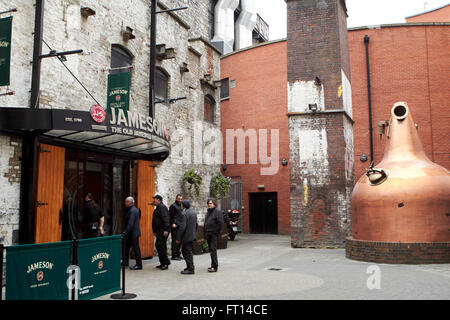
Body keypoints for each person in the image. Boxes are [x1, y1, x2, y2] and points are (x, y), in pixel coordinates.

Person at [176, 200, 198, 274]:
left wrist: (178, 238)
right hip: (192, 235)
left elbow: (182, 227)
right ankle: (189, 266)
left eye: (182, 205)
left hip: (186, 236)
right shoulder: (193, 213)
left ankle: (191, 268)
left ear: (183, 205)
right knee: (188, 251)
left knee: (186, 252)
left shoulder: (184, 213)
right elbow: (196, 225)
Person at [203, 199, 224, 272]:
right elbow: (206, 223)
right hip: (208, 233)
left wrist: (216, 232)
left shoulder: (217, 211)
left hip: (213, 234)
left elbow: (220, 223)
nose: (209, 204)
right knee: (211, 250)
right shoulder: (209, 212)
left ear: (214, 204)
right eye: (208, 203)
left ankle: (215, 267)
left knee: (213, 249)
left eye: (210, 203)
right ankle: (213, 265)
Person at [152, 194, 171, 270]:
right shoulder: (158, 208)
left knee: (161, 246)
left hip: (163, 231)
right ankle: (164, 262)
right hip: (159, 231)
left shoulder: (162, 208)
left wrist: (166, 229)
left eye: (155, 199)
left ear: (159, 200)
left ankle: (165, 263)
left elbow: (166, 219)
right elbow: (155, 221)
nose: (153, 200)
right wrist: (154, 231)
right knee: (159, 246)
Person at [123, 196, 143, 270]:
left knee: (135, 249)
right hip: (131, 233)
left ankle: (139, 265)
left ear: (130, 202)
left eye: (126, 202)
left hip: (133, 233)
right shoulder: (131, 209)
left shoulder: (132, 210)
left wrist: (125, 232)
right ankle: (125, 262)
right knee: (126, 248)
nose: (125, 203)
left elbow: (130, 223)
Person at [169, 194, 183, 260]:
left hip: (180, 225)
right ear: (176, 199)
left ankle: (178, 254)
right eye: (179, 199)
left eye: (181, 199)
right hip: (174, 226)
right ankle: (174, 255)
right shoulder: (173, 206)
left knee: (179, 240)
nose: (180, 200)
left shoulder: (182, 206)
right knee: (175, 240)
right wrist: (173, 223)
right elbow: (170, 216)